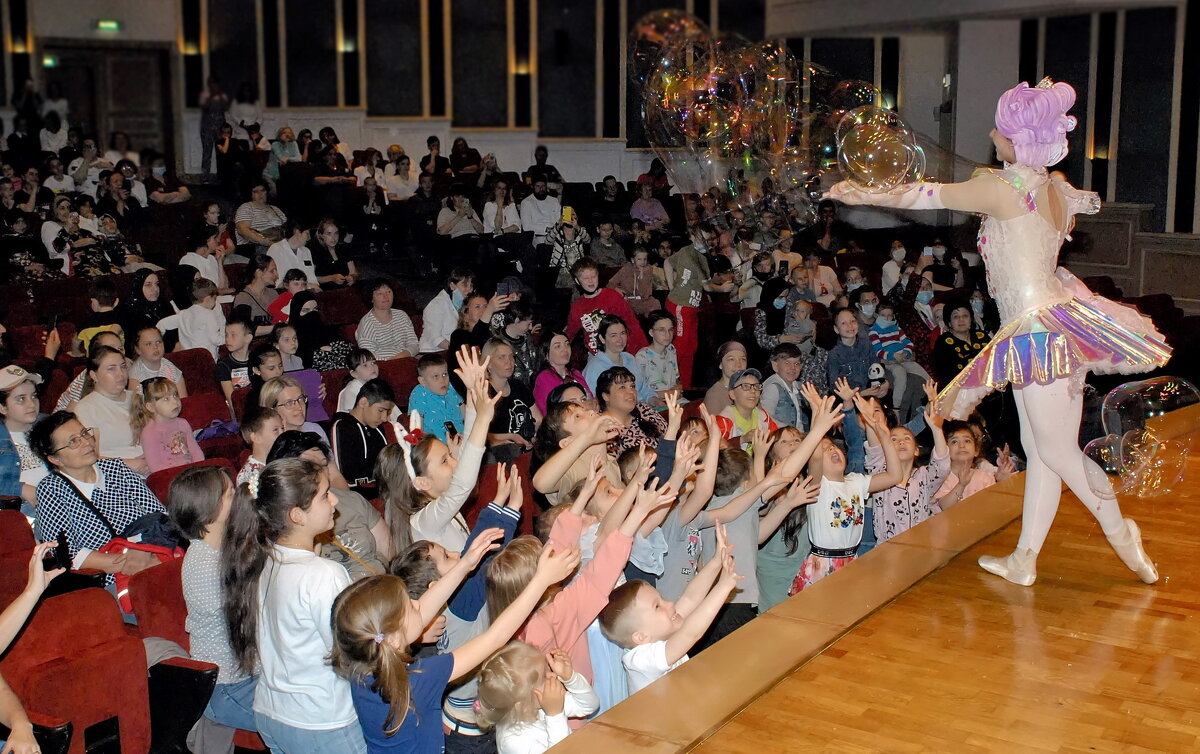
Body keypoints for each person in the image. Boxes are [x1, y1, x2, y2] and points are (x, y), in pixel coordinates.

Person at [828, 78, 1169, 586]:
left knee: (1055, 451)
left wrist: (859, 190)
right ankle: (1026, 558)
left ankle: (1122, 533)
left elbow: (925, 194)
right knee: (1042, 450)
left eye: (1001, 126)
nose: (991, 131)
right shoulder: (1052, 186)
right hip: (1053, 323)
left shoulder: (1003, 187)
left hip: (1038, 332)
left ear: (1017, 137)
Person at [333, 542, 579, 752]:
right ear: (395, 639)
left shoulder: (362, 667)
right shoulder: (417, 680)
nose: (419, 604)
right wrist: (541, 580)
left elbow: (422, 610)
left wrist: (466, 564)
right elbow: (495, 637)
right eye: (411, 606)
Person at [219, 458, 366, 753]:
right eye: (325, 495)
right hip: (322, 720)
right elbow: (352, 653)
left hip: (273, 712)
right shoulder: (324, 574)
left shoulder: (261, 559)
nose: (335, 499)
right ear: (297, 515)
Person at [168, 465, 260, 752]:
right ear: (209, 509)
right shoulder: (203, 565)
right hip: (227, 688)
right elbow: (252, 621)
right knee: (306, 716)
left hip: (253, 675)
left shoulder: (228, 547)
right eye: (231, 493)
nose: (240, 496)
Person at [375, 347, 495, 551]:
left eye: (449, 456)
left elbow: (467, 452)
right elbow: (463, 484)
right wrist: (483, 418)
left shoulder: (439, 503)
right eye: (445, 461)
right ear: (422, 482)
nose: (455, 461)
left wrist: (472, 392)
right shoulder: (423, 520)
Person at [30, 411, 165, 584]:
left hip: (155, 556)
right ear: (55, 459)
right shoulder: (51, 489)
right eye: (73, 441)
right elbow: (65, 552)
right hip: (108, 578)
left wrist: (144, 552)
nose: (86, 442)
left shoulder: (116, 468)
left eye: (84, 433)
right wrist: (129, 564)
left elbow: (159, 515)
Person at [599, 532, 739, 693]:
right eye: (657, 606)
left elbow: (690, 598)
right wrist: (723, 586)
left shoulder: (659, 632)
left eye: (662, 598)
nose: (670, 604)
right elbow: (691, 633)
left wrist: (717, 561)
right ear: (641, 637)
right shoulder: (640, 660)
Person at [73, 345, 150, 475]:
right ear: (94, 376)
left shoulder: (139, 398)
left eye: (123, 366)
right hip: (116, 476)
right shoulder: (86, 409)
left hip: (153, 466)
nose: (120, 373)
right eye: (111, 369)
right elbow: (86, 457)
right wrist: (126, 464)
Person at [566, 258, 648, 357]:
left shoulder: (612, 296)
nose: (591, 281)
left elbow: (633, 324)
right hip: (596, 356)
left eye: (593, 276)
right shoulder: (577, 306)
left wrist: (644, 350)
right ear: (577, 281)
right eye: (586, 278)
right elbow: (569, 333)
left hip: (621, 352)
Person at [331, 379, 394, 498]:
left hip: (383, 490)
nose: (385, 418)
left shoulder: (377, 428)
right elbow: (347, 475)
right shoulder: (342, 427)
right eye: (381, 410)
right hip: (360, 495)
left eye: (388, 412)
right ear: (363, 402)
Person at [483, 338, 542, 462]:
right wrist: (511, 437)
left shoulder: (518, 386)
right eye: (502, 357)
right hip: (500, 451)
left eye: (511, 357)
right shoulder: (484, 392)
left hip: (525, 444)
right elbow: (479, 434)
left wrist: (535, 437)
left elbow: (538, 419)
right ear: (488, 363)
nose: (509, 362)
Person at [132, 377, 204, 473]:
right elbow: (155, 467)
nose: (175, 402)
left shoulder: (183, 423)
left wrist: (201, 469)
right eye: (166, 399)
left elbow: (196, 452)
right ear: (151, 407)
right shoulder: (149, 433)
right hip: (169, 477)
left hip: (190, 473)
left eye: (175, 395)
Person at [595, 366, 665, 457]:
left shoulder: (644, 410)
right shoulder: (599, 427)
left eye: (632, 386)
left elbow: (669, 440)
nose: (631, 391)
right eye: (622, 387)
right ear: (606, 396)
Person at [582, 316, 653, 402]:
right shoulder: (594, 368)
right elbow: (595, 401)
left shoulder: (630, 358)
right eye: (613, 335)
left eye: (623, 333)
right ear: (602, 339)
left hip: (642, 407)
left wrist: (653, 399)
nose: (620, 340)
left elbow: (644, 389)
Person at [157, 277, 226, 358]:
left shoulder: (183, 314)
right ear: (207, 299)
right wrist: (227, 338)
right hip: (206, 359)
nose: (215, 302)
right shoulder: (209, 315)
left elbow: (162, 324)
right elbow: (216, 340)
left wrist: (158, 343)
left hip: (187, 358)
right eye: (215, 298)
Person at [713, 369, 779, 451]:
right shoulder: (724, 421)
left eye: (757, 386)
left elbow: (777, 440)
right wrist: (742, 439)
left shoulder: (764, 418)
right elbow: (716, 451)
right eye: (745, 386)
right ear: (732, 394)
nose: (753, 391)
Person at [405, 353, 463, 443]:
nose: (442, 380)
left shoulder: (451, 388)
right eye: (435, 376)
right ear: (423, 381)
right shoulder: (419, 393)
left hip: (462, 441)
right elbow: (416, 428)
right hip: (435, 447)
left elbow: (466, 414)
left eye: (444, 374)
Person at [932, 299, 991, 385]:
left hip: (989, 384)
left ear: (971, 319)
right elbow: (946, 376)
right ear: (949, 322)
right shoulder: (942, 343)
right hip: (960, 390)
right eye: (956, 317)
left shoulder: (982, 336)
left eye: (965, 316)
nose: (961, 320)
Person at [532, 332, 592, 415]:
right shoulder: (544, 378)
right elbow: (554, 413)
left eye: (567, 344)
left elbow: (590, 398)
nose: (565, 349)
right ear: (546, 354)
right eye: (557, 346)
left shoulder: (575, 373)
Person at [356, 281, 418, 360]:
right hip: (382, 366)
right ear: (371, 298)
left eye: (389, 291)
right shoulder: (367, 323)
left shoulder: (402, 315)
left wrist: (405, 355)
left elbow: (414, 344)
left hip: (406, 359)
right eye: (379, 293)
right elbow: (369, 356)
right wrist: (395, 360)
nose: (386, 296)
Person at [419, 269, 473, 354]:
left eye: (471, 286)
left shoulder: (464, 305)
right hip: (432, 353)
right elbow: (435, 338)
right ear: (452, 286)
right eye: (465, 285)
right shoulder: (437, 304)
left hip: (451, 351)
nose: (469, 290)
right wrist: (459, 351)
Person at [635, 310, 682, 405]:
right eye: (661, 330)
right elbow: (638, 391)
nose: (667, 334)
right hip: (654, 402)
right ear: (651, 332)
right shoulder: (642, 356)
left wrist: (678, 388)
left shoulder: (671, 349)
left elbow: (676, 378)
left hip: (674, 399)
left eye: (670, 330)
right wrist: (666, 393)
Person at [260, 375, 327, 442]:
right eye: (289, 403)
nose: (299, 407)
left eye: (300, 399)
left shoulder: (314, 429)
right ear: (272, 409)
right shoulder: (269, 441)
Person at [608, 246, 664, 319]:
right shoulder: (626, 269)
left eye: (645, 259)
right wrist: (617, 289)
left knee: (655, 305)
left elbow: (644, 293)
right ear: (633, 260)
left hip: (643, 300)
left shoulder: (648, 270)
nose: (642, 262)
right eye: (639, 259)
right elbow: (610, 283)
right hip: (628, 300)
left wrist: (642, 277)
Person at [234, 180, 288, 253]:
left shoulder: (275, 209)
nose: (260, 194)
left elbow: (287, 227)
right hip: (258, 245)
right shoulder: (246, 207)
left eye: (263, 190)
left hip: (280, 241)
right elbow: (242, 229)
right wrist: (263, 241)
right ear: (250, 194)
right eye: (255, 192)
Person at [701, 341, 747, 415]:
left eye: (743, 359)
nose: (738, 364)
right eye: (731, 359)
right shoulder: (714, 395)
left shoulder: (749, 389)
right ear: (720, 364)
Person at [310, 219, 357, 287]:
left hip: (345, 288)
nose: (333, 238)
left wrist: (352, 278)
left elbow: (353, 271)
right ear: (321, 235)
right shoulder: (315, 252)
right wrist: (332, 278)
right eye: (329, 234)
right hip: (326, 290)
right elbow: (311, 277)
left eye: (336, 233)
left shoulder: (344, 248)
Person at [518, 179, 561, 248]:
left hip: (555, 235)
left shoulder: (554, 201)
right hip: (539, 237)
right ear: (533, 187)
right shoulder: (526, 202)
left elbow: (559, 220)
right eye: (538, 186)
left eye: (543, 186)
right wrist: (547, 229)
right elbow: (526, 227)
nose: (541, 189)